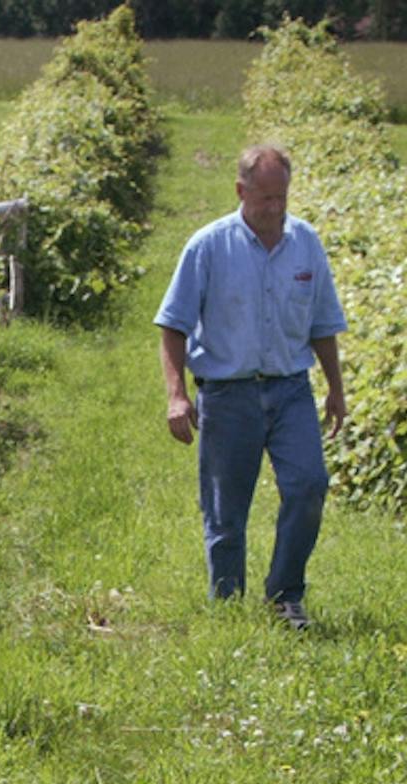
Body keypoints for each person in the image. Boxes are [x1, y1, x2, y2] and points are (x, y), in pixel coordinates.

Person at [154, 143, 347, 630]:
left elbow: (323, 323)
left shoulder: (306, 243)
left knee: (309, 484)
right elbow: (173, 325)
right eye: (265, 198)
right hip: (227, 394)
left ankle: (285, 595)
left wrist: (336, 389)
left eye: (282, 196)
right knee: (226, 512)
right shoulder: (207, 247)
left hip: (290, 390)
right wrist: (177, 394)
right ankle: (227, 608)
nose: (276, 208)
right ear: (241, 191)